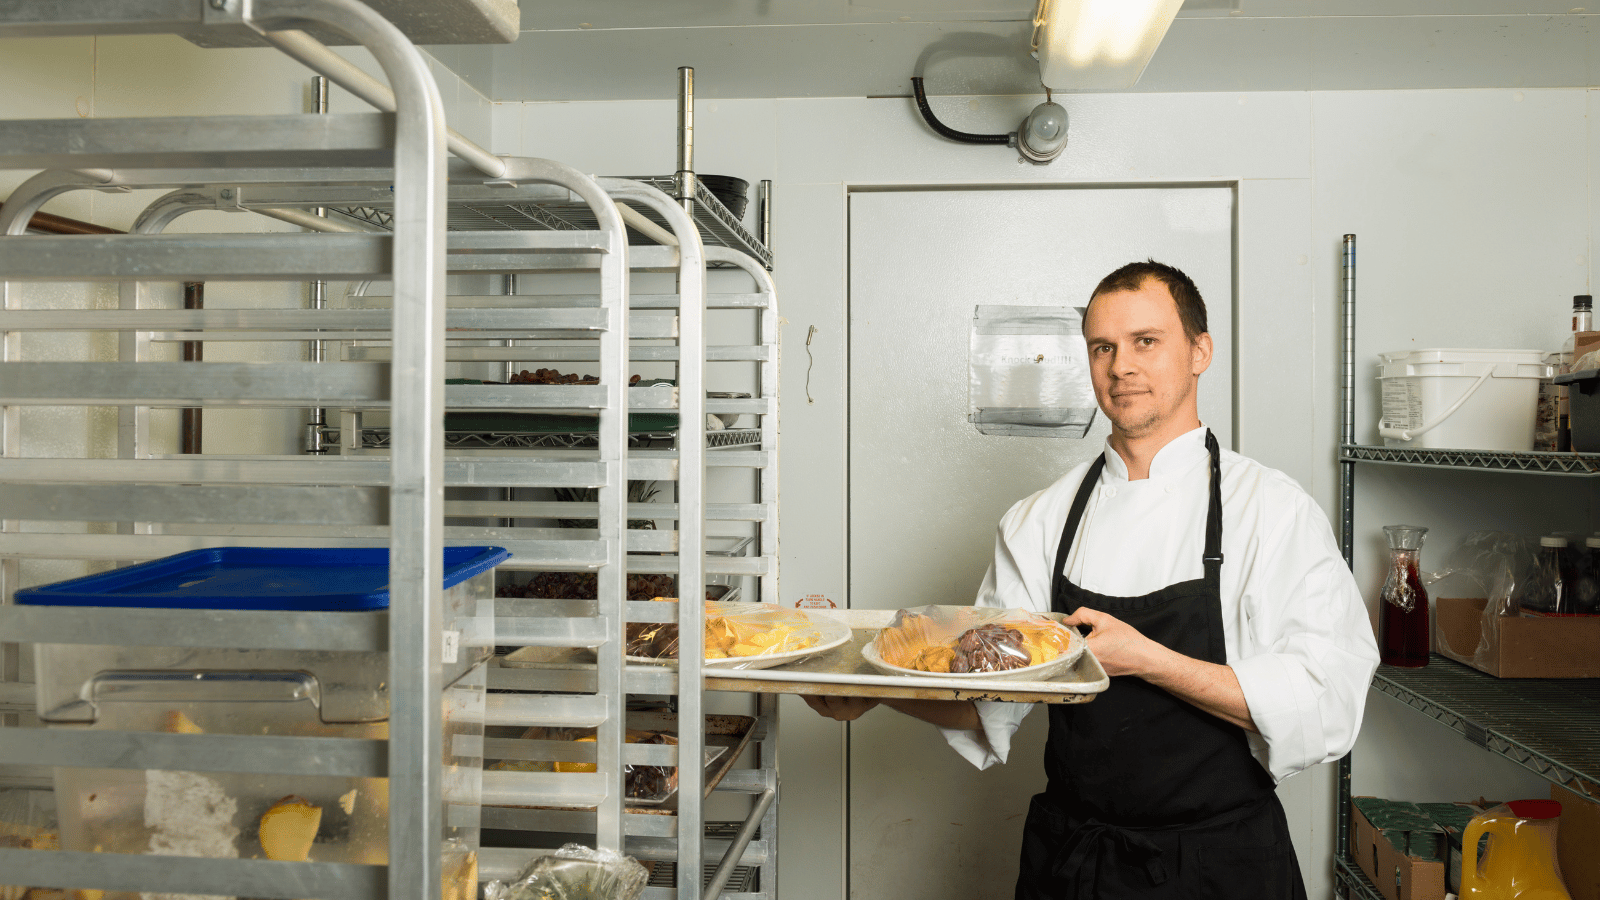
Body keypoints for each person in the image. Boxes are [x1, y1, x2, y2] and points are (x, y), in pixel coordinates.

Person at [805, 260, 1380, 899]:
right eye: (1103, 346)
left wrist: (1149, 661)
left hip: (1224, 864)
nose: (1121, 366)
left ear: (1200, 352)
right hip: (1076, 863)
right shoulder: (1040, 520)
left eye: (1146, 342)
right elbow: (991, 703)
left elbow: (1324, 702)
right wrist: (868, 683)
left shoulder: (1271, 510)